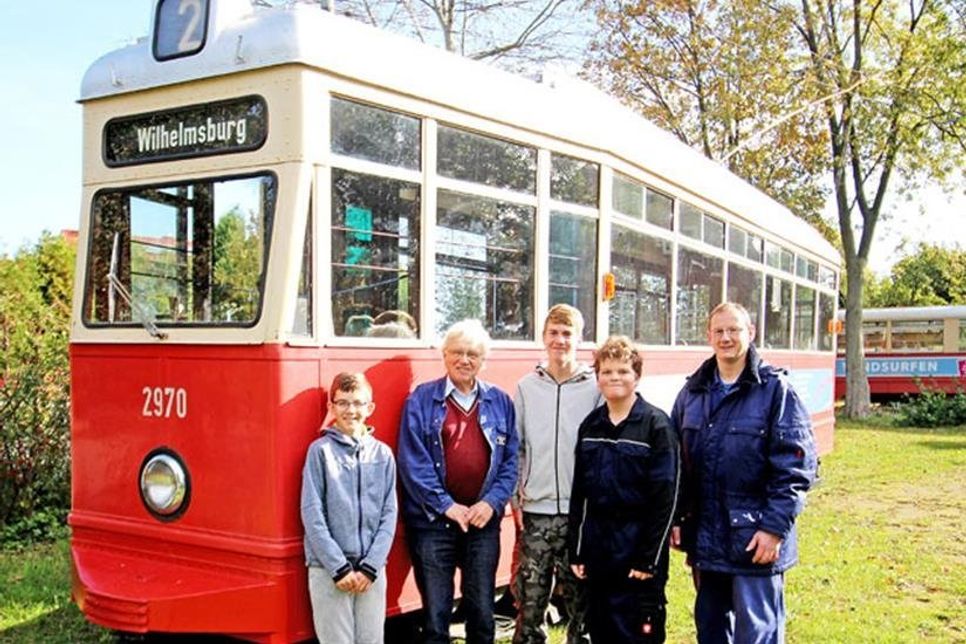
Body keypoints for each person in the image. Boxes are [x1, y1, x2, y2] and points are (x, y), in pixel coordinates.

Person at [670, 302, 818, 644]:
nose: (726, 338)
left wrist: (774, 529)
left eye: (734, 330)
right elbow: (677, 464)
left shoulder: (776, 391)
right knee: (711, 630)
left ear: (750, 334)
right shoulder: (693, 392)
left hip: (755, 540)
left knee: (757, 634)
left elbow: (795, 469)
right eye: (719, 331)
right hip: (707, 538)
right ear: (709, 337)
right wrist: (678, 517)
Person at [398, 319, 519, 644]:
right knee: (436, 616)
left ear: (483, 359)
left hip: (483, 524)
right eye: (457, 352)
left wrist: (491, 504)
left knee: (481, 611)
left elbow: (511, 462)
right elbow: (413, 463)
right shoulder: (421, 400)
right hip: (433, 523)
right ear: (444, 355)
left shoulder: (500, 401)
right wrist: (446, 506)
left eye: (473, 354)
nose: (464, 360)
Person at [567, 336, 679, 643]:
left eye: (623, 371)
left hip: (637, 551)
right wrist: (576, 551)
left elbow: (665, 499)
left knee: (639, 632)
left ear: (637, 377)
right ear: (598, 377)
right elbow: (581, 495)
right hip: (599, 552)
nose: (614, 377)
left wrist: (649, 559)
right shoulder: (591, 426)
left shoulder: (657, 426)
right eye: (607, 371)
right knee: (602, 629)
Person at [512, 304, 598, 644]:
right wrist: (517, 498)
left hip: (579, 517)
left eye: (567, 334)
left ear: (579, 339)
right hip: (537, 512)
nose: (560, 341)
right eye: (553, 333)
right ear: (543, 337)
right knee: (530, 601)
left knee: (581, 605)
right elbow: (516, 447)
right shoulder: (526, 388)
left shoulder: (593, 388)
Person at [300, 372, 397, 644]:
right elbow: (312, 512)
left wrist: (371, 566)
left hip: (371, 570)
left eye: (357, 403)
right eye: (342, 403)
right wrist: (338, 568)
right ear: (331, 407)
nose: (350, 410)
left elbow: (389, 514)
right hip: (329, 570)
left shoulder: (383, 455)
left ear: (370, 408)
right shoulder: (320, 452)